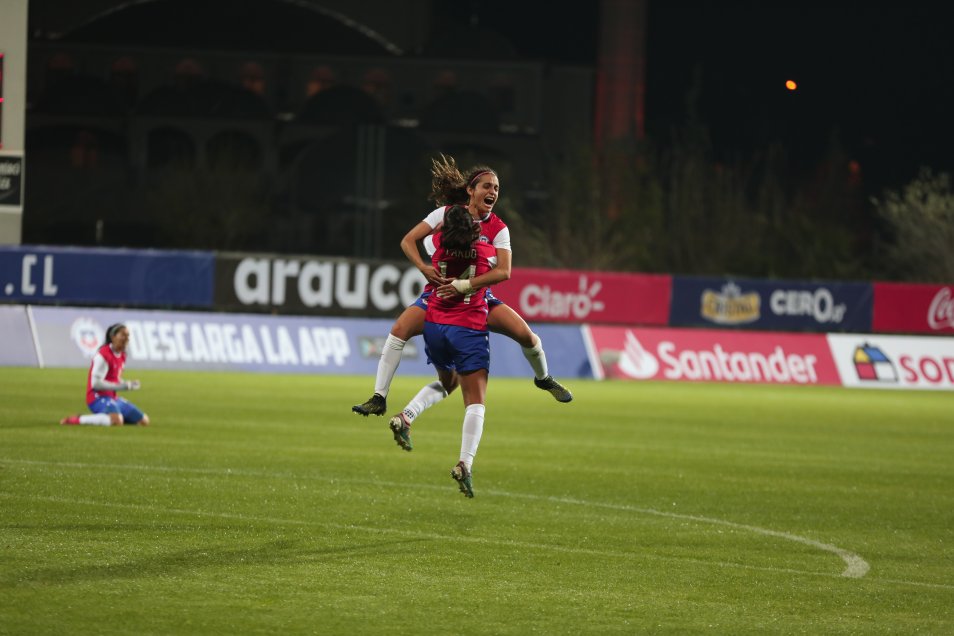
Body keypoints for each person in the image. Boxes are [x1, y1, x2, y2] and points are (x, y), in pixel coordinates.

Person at [352, 154, 573, 426]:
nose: (492, 192)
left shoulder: (498, 228)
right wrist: (423, 267)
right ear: (470, 190)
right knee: (399, 331)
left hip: (478, 299)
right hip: (439, 298)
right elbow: (408, 240)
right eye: (487, 186)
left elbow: (504, 271)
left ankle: (543, 379)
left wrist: (466, 285)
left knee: (528, 337)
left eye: (496, 188)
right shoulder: (445, 215)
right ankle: (379, 397)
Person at [409, 205, 504, 497]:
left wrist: (439, 220)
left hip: (436, 326)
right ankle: (465, 462)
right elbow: (503, 271)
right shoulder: (484, 253)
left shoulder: (436, 246)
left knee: (446, 381)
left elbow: (424, 239)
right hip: (469, 327)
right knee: (476, 401)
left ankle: (393, 403)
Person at [60, 323, 150, 427]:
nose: (127, 338)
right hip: (97, 398)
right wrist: (123, 386)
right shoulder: (103, 355)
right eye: (123, 335)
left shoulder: (122, 355)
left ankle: (111, 418)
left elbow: (114, 379)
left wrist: (128, 383)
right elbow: (96, 384)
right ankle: (77, 420)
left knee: (143, 421)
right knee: (116, 421)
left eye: (128, 336)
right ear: (113, 337)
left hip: (112, 398)